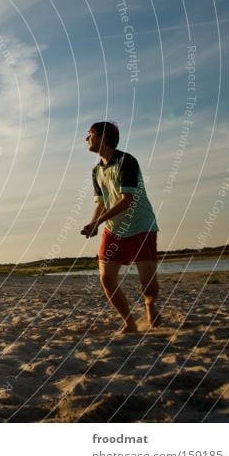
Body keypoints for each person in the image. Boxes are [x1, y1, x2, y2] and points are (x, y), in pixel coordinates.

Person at [80, 122, 160, 333]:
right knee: (106, 278)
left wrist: (98, 222)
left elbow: (127, 200)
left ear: (102, 137)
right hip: (114, 230)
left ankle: (149, 305)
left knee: (148, 285)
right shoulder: (96, 170)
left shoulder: (126, 161)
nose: (86, 139)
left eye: (90, 135)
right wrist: (93, 223)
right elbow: (101, 202)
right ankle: (130, 322)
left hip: (141, 227)